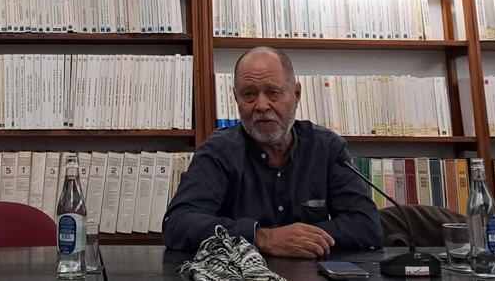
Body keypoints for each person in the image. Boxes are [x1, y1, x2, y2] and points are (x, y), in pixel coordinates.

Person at [162, 46, 382, 257]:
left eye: (273, 93)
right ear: (236, 98)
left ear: (296, 94)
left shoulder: (326, 148)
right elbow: (177, 224)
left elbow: (367, 226)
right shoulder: (219, 151)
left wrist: (303, 240)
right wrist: (263, 237)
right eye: (249, 94)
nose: (261, 105)